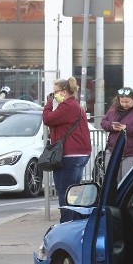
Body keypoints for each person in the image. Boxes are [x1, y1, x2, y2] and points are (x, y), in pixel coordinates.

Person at [42, 77, 92, 223]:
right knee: (73, 190)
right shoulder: (74, 105)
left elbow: (48, 119)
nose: (54, 95)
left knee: (65, 190)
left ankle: (68, 223)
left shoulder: (68, 106)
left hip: (70, 154)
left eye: (55, 92)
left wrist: (49, 104)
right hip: (79, 153)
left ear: (64, 92)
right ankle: (75, 220)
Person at [100, 87, 133, 177]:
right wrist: (111, 126)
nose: (124, 104)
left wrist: (127, 128)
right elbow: (103, 122)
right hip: (113, 151)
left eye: (127, 102)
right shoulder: (113, 109)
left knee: (128, 182)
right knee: (111, 181)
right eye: (122, 102)